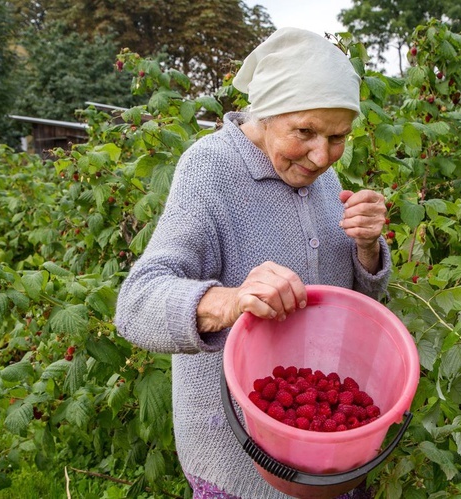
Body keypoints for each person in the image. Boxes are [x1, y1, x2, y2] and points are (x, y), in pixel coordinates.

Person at [114, 27, 390, 498]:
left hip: (327, 442)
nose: (322, 155)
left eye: (338, 136)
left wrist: (367, 247)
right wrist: (228, 299)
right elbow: (135, 305)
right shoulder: (210, 171)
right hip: (239, 454)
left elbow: (352, 306)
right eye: (304, 132)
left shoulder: (322, 176)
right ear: (265, 114)